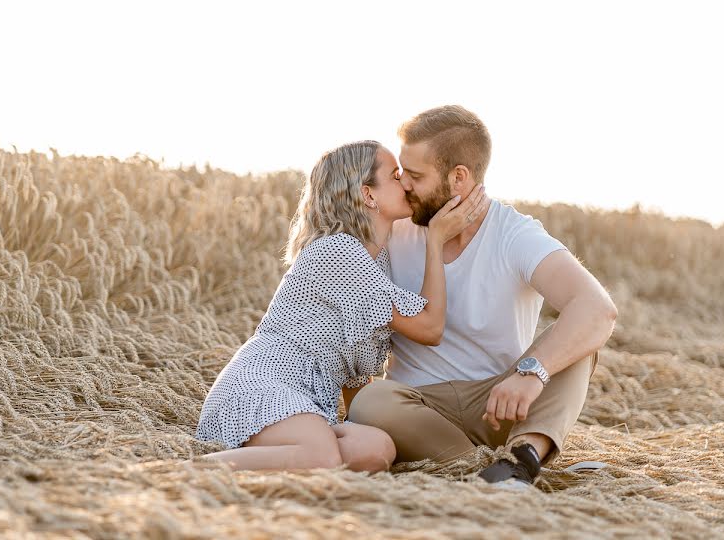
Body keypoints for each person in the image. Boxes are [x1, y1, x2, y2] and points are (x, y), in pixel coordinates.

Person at [347, 105, 618, 487]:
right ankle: (502, 469)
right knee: (370, 403)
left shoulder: (514, 234)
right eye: (401, 172)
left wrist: (531, 373)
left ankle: (521, 454)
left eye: (415, 175)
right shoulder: (395, 226)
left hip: (500, 405)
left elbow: (598, 309)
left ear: (459, 177)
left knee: (580, 346)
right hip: (416, 407)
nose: (403, 183)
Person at [194, 140, 489, 472]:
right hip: (261, 387)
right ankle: (184, 472)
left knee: (376, 448)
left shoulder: (379, 263)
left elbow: (354, 378)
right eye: (395, 175)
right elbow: (429, 327)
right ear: (368, 195)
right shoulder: (338, 250)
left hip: (308, 407)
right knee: (322, 457)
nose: (406, 182)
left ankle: (292, 460)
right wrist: (436, 241)